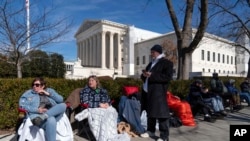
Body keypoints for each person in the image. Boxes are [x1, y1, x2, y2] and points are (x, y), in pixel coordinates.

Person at [140, 44, 173, 141]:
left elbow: (167, 77)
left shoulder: (166, 63)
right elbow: (146, 76)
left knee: (161, 113)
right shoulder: (151, 63)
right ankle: (151, 130)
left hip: (158, 92)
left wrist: (152, 75)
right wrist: (144, 75)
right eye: (151, 52)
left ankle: (164, 136)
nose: (151, 54)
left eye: (152, 52)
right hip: (148, 91)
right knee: (150, 112)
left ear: (158, 52)